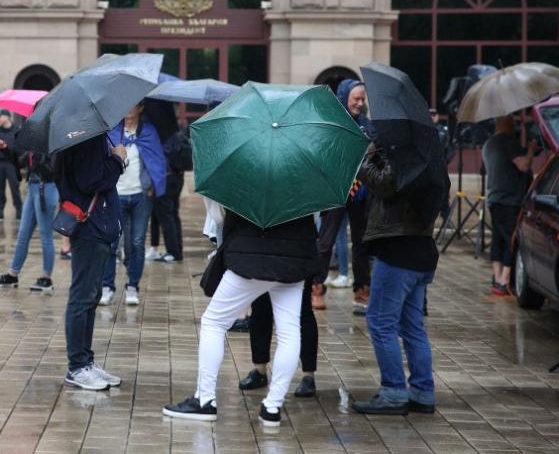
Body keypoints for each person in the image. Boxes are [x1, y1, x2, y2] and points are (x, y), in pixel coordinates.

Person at [164, 209, 319, 425]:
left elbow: (219, 218)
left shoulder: (246, 174)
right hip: (296, 255)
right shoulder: (305, 176)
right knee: (290, 330)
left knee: (213, 322)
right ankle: (273, 406)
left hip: (251, 252)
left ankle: (205, 399)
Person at [352, 144, 447, 415]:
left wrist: (364, 160)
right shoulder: (431, 154)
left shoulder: (406, 152)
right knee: (412, 325)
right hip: (420, 249)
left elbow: (385, 184)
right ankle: (422, 391)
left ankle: (394, 391)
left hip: (398, 252)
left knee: (381, 323)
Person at [59, 134, 126, 391]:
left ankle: (86, 361)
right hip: (89, 227)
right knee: (82, 296)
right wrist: (117, 160)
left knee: (91, 295)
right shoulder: (84, 137)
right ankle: (77, 366)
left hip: (98, 226)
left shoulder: (90, 136)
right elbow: (92, 180)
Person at [313, 79, 374, 314]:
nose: (360, 103)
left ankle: (362, 291)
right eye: (355, 99)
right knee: (325, 241)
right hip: (336, 190)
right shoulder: (332, 123)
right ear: (344, 98)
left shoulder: (368, 125)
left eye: (362, 99)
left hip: (361, 192)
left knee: (361, 243)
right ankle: (317, 287)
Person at [101, 103, 166, 307]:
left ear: (141, 108)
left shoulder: (148, 132)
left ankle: (132, 286)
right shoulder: (112, 132)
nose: (128, 108)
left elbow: (157, 160)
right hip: (116, 195)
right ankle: (107, 287)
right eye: (125, 105)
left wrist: (151, 186)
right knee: (111, 241)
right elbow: (102, 160)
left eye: (134, 105)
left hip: (140, 196)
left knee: (137, 243)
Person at [482, 116, 537, 295]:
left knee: (498, 239)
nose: (514, 125)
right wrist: (530, 150)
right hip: (509, 200)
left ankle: (497, 278)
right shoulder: (508, 142)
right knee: (511, 240)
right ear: (504, 123)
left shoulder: (488, 143)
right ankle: (505, 281)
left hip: (494, 199)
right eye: (512, 121)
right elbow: (524, 165)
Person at [0, 150, 59, 291]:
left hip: (46, 187)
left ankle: (47, 278)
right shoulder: (34, 141)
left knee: (45, 236)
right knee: (23, 234)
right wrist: (6, 150)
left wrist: (38, 158)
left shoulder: (52, 142)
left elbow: (54, 169)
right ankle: (12, 274)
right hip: (33, 186)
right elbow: (19, 162)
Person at [238, 282, 319, 399]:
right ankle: (260, 370)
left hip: (300, 265)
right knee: (260, 306)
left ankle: (309, 376)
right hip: (264, 266)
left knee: (303, 309)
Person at [146, 122, 190, 262]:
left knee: (166, 217)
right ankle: (177, 250)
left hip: (165, 179)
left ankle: (173, 252)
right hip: (177, 178)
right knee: (173, 215)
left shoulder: (160, 134)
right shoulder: (176, 131)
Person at [0, 111, 22, 220]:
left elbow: (19, 148)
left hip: (11, 163)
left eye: (1, 117)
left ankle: (19, 209)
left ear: (7, 117)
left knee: (14, 187)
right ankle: (0, 210)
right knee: (0, 188)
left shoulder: (16, 130)